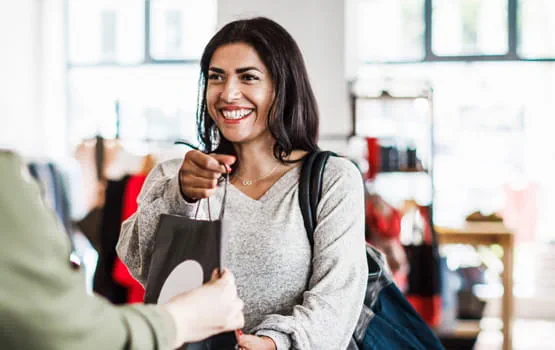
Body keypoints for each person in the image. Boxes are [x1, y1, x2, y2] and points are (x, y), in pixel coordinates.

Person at [117, 17, 368, 350]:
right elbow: (139, 265)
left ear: (282, 87)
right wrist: (180, 197)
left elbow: (337, 300)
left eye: (248, 77)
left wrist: (272, 343)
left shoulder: (332, 180)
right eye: (216, 77)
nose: (228, 93)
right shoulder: (177, 175)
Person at [0, 150, 244, 350]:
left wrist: (276, 338)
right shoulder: (166, 175)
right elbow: (59, 329)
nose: (229, 92)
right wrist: (180, 320)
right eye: (217, 85)